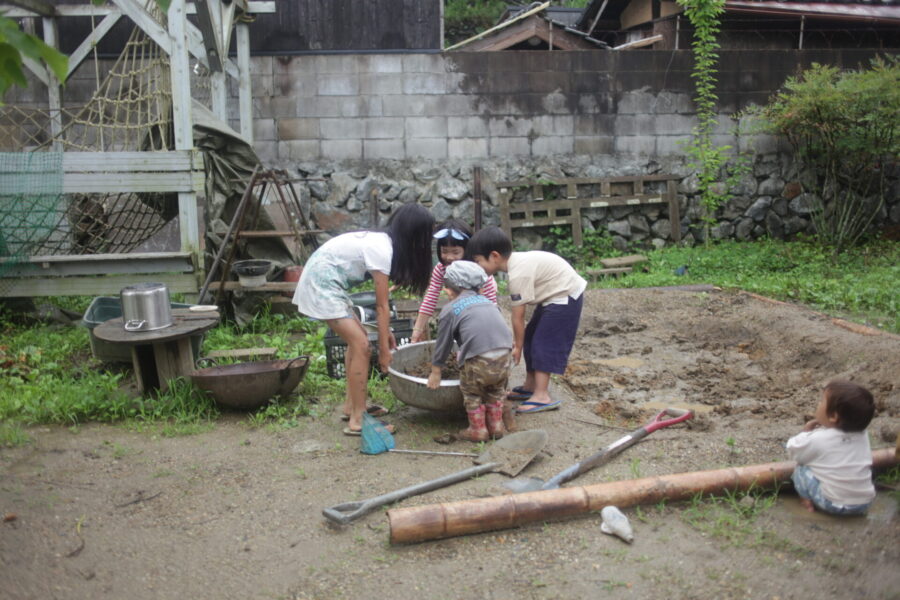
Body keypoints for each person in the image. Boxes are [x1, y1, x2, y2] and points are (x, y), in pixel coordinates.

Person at [292, 203, 434, 436]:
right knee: (362, 345)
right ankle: (358, 420)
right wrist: (385, 353)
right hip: (321, 285)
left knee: (357, 343)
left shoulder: (382, 243)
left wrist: (384, 332)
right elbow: (381, 305)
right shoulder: (383, 249)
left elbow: (382, 306)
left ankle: (351, 406)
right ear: (415, 235)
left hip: (328, 283)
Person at [466, 226, 586, 414]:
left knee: (543, 342)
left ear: (494, 256)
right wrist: (522, 342)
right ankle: (530, 386)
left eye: (478, 261)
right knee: (531, 336)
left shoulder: (518, 273)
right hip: (555, 295)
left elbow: (518, 316)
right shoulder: (515, 264)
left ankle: (542, 395)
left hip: (566, 296)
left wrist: (517, 346)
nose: (477, 266)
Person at [427, 260, 514, 441]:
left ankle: (477, 429)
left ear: (448, 290)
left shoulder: (450, 309)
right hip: (505, 356)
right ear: (479, 288)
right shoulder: (490, 303)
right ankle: (496, 427)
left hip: (478, 360)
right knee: (495, 389)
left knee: (472, 392)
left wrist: (436, 371)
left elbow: (443, 343)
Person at [786, 380, 876, 515]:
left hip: (835, 505)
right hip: (864, 504)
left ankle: (806, 500)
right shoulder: (863, 436)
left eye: (822, 401)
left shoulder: (819, 438)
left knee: (801, 468)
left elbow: (792, 449)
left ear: (833, 416)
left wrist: (805, 433)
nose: (819, 404)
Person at [411, 218, 498, 344]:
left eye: (455, 252)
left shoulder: (480, 272)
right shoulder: (441, 269)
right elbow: (430, 298)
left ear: (467, 249)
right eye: (444, 251)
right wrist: (417, 329)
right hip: (460, 313)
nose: (449, 257)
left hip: (482, 317)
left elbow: (491, 307)